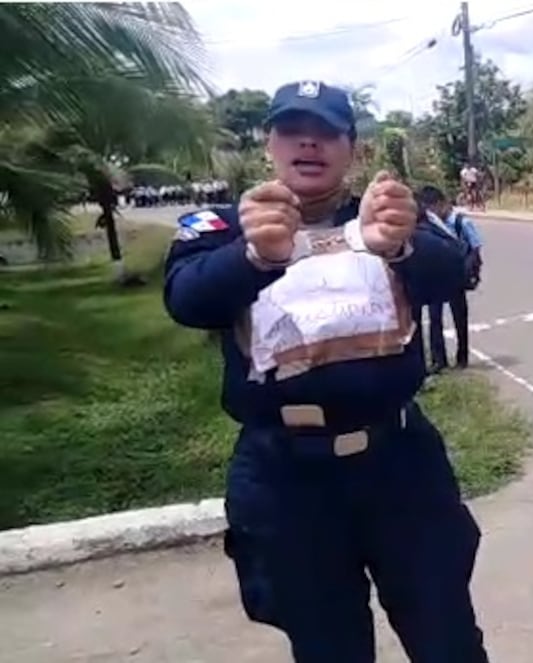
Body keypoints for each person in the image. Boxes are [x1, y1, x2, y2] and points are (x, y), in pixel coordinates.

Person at [162, 80, 489, 663]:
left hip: (400, 465)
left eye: (327, 132)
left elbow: (453, 271)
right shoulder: (224, 227)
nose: (308, 143)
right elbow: (187, 300)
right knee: (327, 649)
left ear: (352, 148)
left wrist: (400, 247)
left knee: (448, 641)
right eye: (292, 129)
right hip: (285, 479)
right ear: (269, 142)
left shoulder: (385, 217)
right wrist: (253, 255)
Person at [417, 185, 482, 371]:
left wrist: (471, 272)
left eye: (433, 209)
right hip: (436, 276)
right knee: (434, 317)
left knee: (459, 316)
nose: (432, 214)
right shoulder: (430, 223)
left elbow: (475, 248)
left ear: (442, 204)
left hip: (456, 275)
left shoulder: (462, 222)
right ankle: (439, 360)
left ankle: (462, 358)